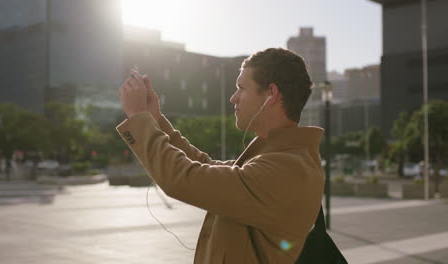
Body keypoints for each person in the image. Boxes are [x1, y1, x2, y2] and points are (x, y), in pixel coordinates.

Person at [117, 47, 324, 263]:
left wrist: (139, 118)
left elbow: (185, 177)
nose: (233, 98)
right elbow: (205, 166)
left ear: (271, 94)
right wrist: (155, 120)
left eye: (241, 88)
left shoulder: (287, 171)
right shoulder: (277, 158)